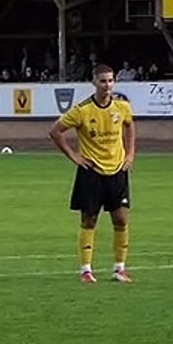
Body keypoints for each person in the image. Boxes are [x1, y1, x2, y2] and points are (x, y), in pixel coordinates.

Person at [48, 64, 137, 284]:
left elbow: (129, 126)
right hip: (92, 171)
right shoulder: (82, 111)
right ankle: (86, 270)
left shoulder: (122, 107)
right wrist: (74, 156)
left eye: (110, 80)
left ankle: (119, 269)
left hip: (117, 170)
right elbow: (55, 131)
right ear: (94, 82)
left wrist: (130, 153)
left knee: (121, 219)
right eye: (103, 81)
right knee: (89, 220)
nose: (107, 85)